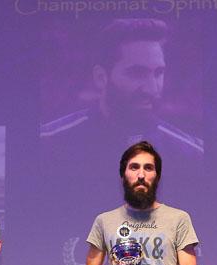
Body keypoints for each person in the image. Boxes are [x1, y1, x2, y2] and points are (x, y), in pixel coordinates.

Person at [41, 19, 203, 212]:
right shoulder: (49, 144)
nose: (152, 88)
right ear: (101, 77)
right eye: (137, 73)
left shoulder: (191, 154)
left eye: (158, 73)